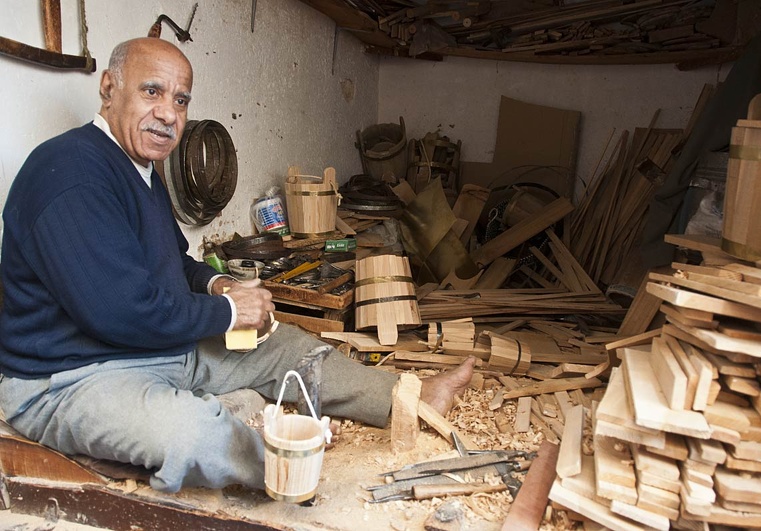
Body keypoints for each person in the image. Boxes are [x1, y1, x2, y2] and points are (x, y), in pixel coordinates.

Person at [0, 37, 474, 494]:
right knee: (193, 432)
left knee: (285, 347)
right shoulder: (70, 172)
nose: (168, 114)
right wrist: (228, 315)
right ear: (108, 88)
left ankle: (406, 399)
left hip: (153, 348)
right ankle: (283, 466)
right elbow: (120, 311)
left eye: (181, 100)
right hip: (72, 377)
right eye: (152, 92)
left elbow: (172, 263)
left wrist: (218, 285)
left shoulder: (140, 169)